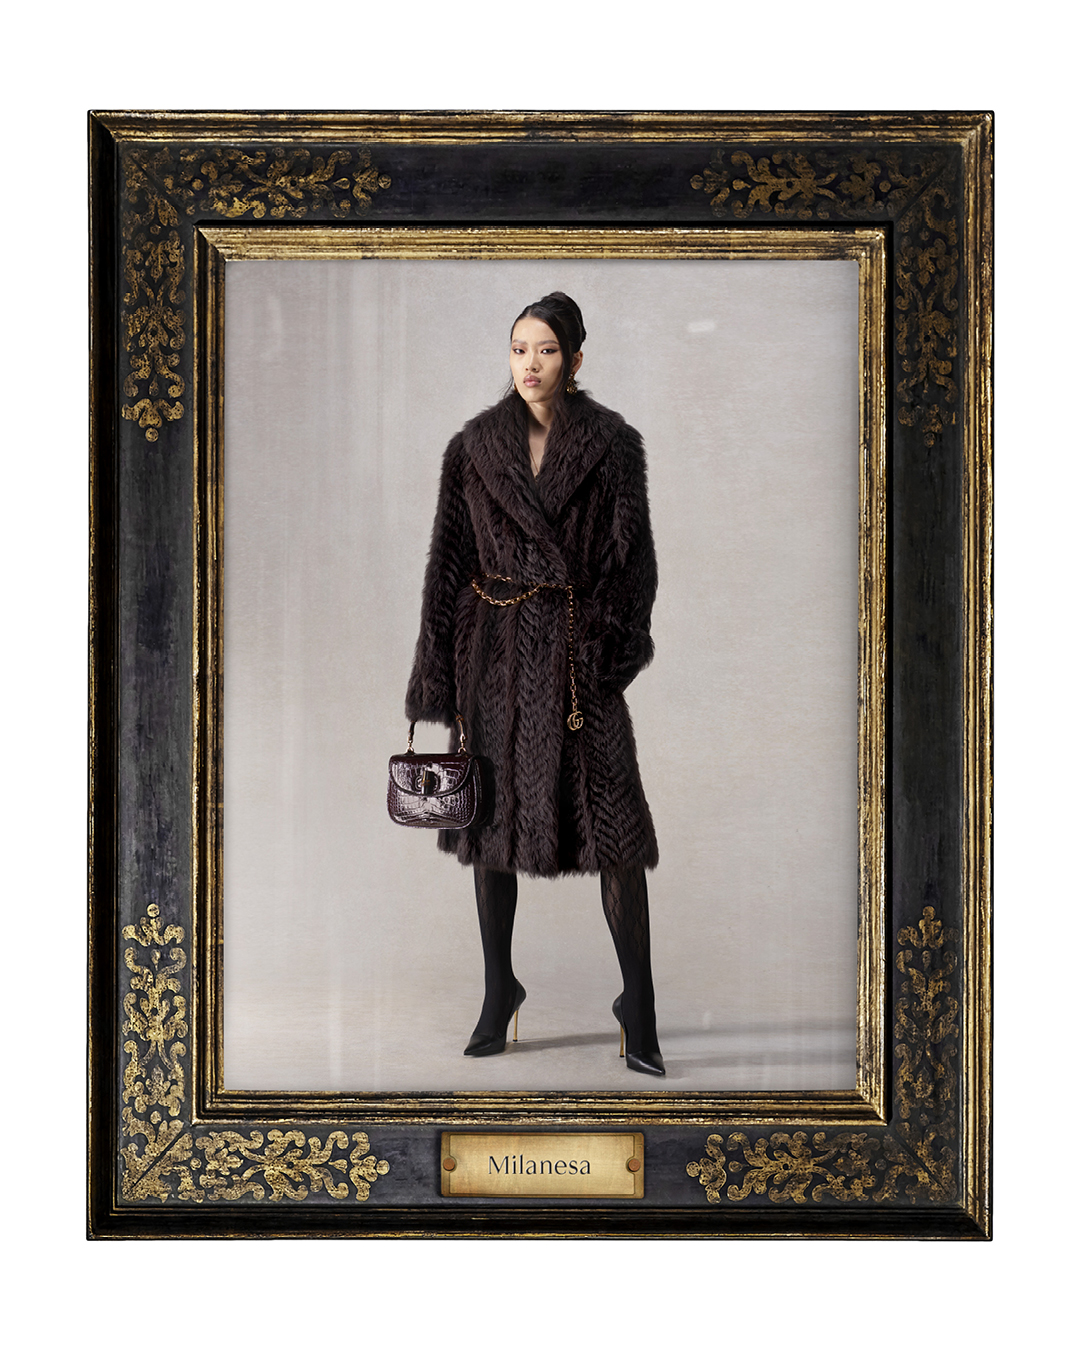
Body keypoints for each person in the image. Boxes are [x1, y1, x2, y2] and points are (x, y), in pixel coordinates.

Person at [405, 291, 664, 1075]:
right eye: (519, 348)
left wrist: (606, 651)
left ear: (574, 359)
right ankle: (499, 991)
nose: (530, 363)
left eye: (546, 350)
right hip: (495, 661)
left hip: (578, 667)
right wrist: (438, 680)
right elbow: (447, 566)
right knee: (489, 832)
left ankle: (640, 1007)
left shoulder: (612, 446)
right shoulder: (473, 448)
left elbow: (635, 566)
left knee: (616, 837)